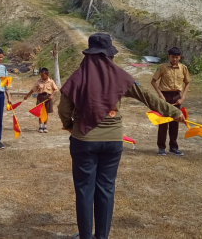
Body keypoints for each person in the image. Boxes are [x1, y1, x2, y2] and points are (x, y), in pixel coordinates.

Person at [58, 33, 184, 239]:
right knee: (106, 189)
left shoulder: (78, 77)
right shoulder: (120, 77)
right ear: (109, 55)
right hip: (113, 141)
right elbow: (148, 97)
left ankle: (85, 236)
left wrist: (70, 126)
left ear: (88, 55)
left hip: (84, 140)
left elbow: (63, 108)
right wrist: (174, 112)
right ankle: (102, 237)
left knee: (84, 190)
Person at [150, 47, 191, 156]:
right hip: (165, 97)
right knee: (163, 123)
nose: (175, 59)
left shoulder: (183, 68)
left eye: (177, 57)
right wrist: (160, 95)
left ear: (180, 57)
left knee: (175, 123)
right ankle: (161, 148)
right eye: (173, 57)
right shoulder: (162, 68)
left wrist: (182, 98)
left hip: (176, 97)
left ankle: (173, 147)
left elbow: (187, 83)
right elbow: (153, 81)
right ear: (169, 56)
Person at [24, 67, 59, 133]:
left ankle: (45, 126)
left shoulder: (51, 81)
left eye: (43, 75)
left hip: (48, 98)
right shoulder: (39, 81)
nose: (42, 77)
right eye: (41, 75)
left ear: (47, 74)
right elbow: (33, 89)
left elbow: (56, 89)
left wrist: (52, 95)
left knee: (46, 112)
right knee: (40, 112)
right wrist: (27, 96)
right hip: (40, 97)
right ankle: (40, 126)